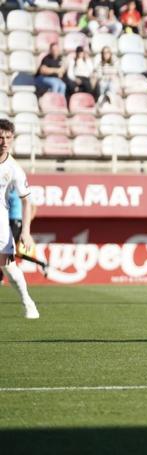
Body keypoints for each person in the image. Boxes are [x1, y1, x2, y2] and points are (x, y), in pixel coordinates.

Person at [0, 120, 39, 319]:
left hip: (1, 223)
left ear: (13, 139)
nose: (3, 141)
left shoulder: (14, 168)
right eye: (0, 137)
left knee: (7, 265)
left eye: (7, 137)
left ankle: (27, 302)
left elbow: (27, 202)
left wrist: (26, 231)